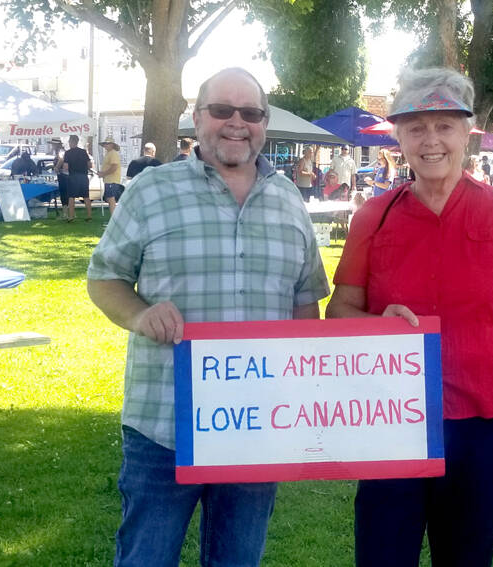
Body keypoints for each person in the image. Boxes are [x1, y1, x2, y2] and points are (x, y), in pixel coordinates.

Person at [86, 67, 330, 567]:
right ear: (197, 119)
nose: (236, 123)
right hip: (163, 427)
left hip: (260, 429)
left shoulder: (289, 200)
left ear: (265, 123)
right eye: (222, 110)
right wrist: (140, 314)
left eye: (251, 113)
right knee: (145, 559)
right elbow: (104, 278)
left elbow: (307, 301)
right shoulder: (150, 192)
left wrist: (311, 392)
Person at [326, 67, 493, 567]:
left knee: (466, 559)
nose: (431, 140)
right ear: (399, 140)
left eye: (445, 126)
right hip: (393, 424)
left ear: (466, 133)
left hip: (484, 425)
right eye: (415, 128)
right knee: (383, 557)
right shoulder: (375, 215)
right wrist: (375, 322)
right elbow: (339, 311)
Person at [62, 134, 94, 222]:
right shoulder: (84, 152)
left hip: (73, 177)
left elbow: (65, 167)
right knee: (86, 196)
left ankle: (71, 216)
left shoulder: (68, 153)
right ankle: (89, 216)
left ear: (71, 142)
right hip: (83, 176)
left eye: (69, 141)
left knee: (71, 197)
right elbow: (90, 165)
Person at [98, 136, 124, 217]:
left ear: (112, 145)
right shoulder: (109, 153)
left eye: (108, 143)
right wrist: (102, 173)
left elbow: (114, 167)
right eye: (105, 143)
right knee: (109, 199)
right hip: (109, 180)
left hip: (112, 180)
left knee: (111, 199)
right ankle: (114, 217)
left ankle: (114, 218)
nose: (106, 145)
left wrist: (103, 173)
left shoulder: (113, 153)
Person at [50, 137, 69, 217]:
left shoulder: (61, 152)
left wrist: (57, 167)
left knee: (64, 194)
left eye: (53, 144)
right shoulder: (59, 151)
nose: (52, 146)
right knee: (64, 194)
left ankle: (66, 213)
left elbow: (61, 159)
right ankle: (67, 212)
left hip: (64, 175)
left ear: (56, 145)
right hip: (62, 175)